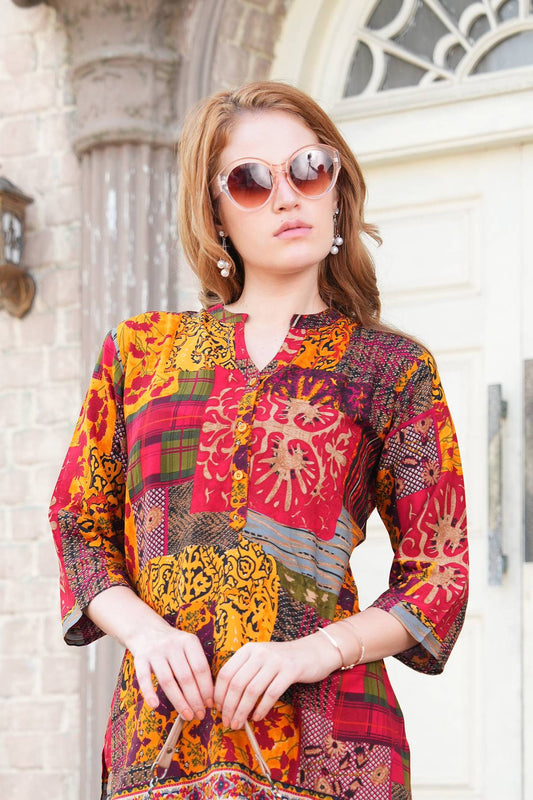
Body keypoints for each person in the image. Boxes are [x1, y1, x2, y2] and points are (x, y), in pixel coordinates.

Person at [49, 81, 469, 800]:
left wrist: (318, 650)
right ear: (214, 210)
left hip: (330, 748)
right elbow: (78, 525)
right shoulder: (140, 352)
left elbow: (440, 574)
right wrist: (146, 634)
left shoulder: (391, 369)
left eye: (308, 168)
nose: (286, 197)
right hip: (162, 742)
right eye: (250, 180)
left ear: (337, 187)